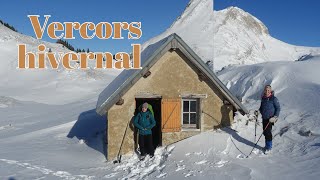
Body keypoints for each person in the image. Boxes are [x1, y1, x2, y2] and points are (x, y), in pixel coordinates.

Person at [259, 85, 280, 154]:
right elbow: (261, 108)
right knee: (265, 132)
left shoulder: (273, 99)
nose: (267, 91)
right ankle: (266, 145)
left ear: (270, 90)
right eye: (266, 90)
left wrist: (275, 117)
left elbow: (278, 108)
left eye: (268, 90)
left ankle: (269, 148)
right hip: (264, 118)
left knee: (268, 132)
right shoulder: (263, 98)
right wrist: (258, 111)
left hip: (270, 119)